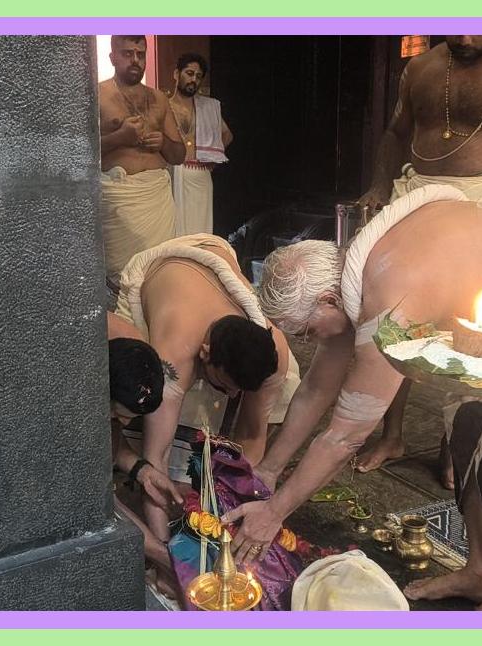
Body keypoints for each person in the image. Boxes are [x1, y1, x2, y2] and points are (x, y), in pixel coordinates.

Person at [227, 185, 482, 612]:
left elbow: (346, 436)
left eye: (308, 331)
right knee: (464, 422)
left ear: (328, 300)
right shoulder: (352, 274)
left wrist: (273, 514)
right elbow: (315, 389)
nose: (310, 342)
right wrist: (268, 472)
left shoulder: (391, 295)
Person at [355, 36, 482, 482]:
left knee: (470, 326)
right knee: (396, 320)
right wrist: (379, 185)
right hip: (417, 198)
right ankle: (392, 434)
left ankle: (452, 446)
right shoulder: (419, 69)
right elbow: (395, 133)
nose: (464, 37)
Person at [113, 233, 299, 541]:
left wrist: (231, 501)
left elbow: (253, 435)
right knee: (146, 401)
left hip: (215, 255)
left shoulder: (273, 350)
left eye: (239, 389)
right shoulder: (173, 358)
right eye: (225, 385)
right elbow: (155, 462)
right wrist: (167, 550)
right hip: (161, 270)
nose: (234, 396)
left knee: (285, 382)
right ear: (205, 353)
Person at [106, 314, 183, 597]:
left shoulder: (133, 358)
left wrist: (143, 471)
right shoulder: (72, 411)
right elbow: (101, 505)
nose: (125, 423)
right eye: (118, 414)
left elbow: (110, 442)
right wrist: (165, 558)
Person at [98, 35, 185, 284]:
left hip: (156, 197)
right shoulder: (97, 95)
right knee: (123, 280)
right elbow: (79, 154)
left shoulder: (159, 99)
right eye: (127, 54)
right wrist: (120, 137)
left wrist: (164, 143)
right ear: (112, 58)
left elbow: (179, 155)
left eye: (140, 54)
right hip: (121, 200)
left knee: (159, 273)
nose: (135, 60)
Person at [167, 53, 233, 236]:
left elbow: (227, 135)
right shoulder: (165, 106)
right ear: (176, 74)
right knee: (174, 230)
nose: (193, 80)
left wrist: (214, 156)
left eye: (198, 76)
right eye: (189, 73)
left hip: (200, 175)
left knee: (200, 230)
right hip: (172, 173)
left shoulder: (207, 107)